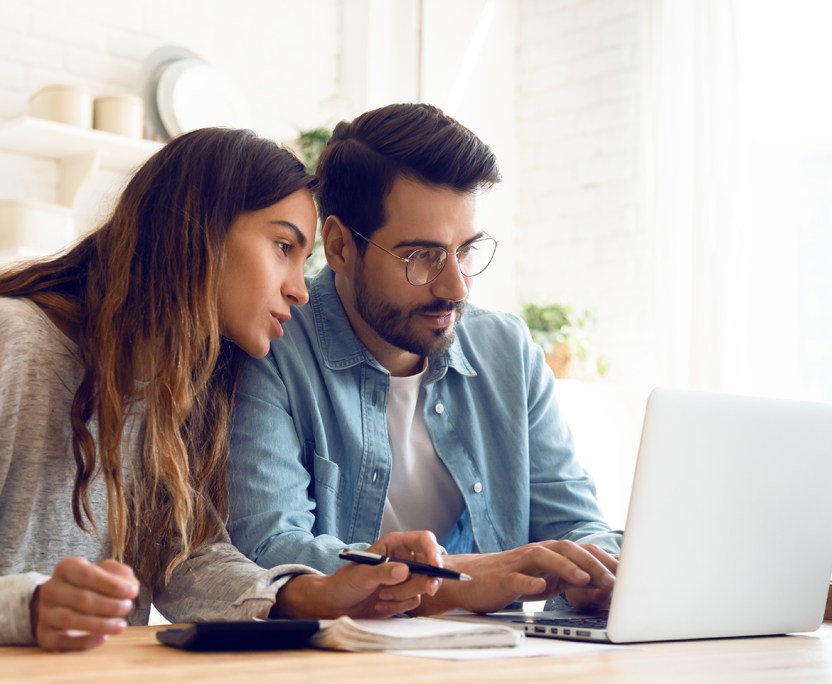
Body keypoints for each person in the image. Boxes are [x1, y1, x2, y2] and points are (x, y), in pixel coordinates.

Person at [0, 127, 445, 652]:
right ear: (197, 231)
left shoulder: (184, 386)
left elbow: (185, 562)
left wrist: (313, 595)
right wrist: (28, 608)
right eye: (283, 247)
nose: (300, 290)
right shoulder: (11, 341)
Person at [227, 104, 621, 616]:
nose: (455, 286)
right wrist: (455, 583)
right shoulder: (269, 347)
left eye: (468, 250)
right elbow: (269, 550)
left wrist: (595, 572)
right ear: (342, 247)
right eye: (421, 257)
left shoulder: (508, 351)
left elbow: (575, 522)